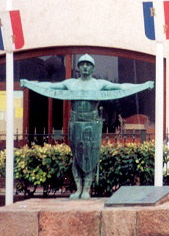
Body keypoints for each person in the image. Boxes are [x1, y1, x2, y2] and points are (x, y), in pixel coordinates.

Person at [21, 54, 153, 199]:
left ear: (93, 68)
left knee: (91, 156)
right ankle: (78, 188)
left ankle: (87, 189)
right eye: (82, 64)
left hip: (92, 124)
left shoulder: (99, 84)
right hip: (75, 123)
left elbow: (121, 87)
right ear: (78, 67)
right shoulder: (71, 83)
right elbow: (50, 85)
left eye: (88, 64)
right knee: (76, 157)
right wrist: (29, 84)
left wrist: (143, 85)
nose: (85, 67)